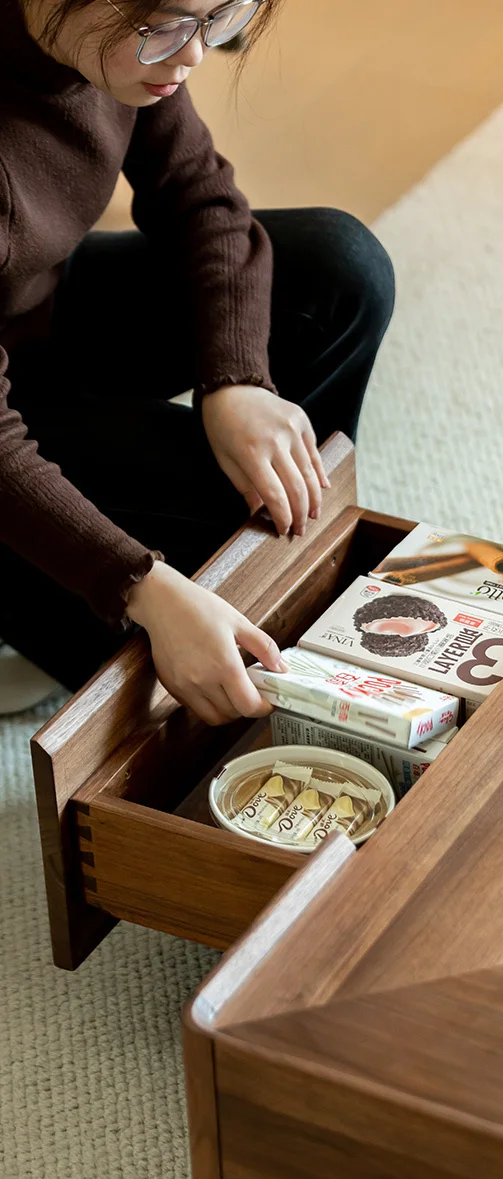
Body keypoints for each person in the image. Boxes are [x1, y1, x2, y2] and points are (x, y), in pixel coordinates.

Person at [0, 0, 395, 722]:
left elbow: (206, 204)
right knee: (204, 526)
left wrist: (236, 380)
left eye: (220, 17)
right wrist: (139, 584)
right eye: (170, 25)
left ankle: (274, 564)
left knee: (342, 272)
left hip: (34, 311)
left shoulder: (108, 44)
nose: (193, 57)